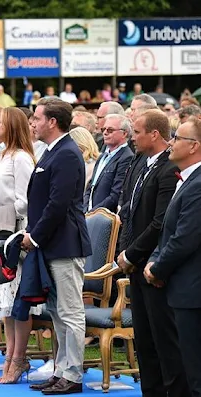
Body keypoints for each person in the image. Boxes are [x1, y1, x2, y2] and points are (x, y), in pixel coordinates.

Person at [116, 109, 189, 396]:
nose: (132, 137)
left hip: (154, 266)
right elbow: (128, 211)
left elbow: (161, 222)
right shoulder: (138, 162)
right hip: (135, 265)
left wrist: (132, 254)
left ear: (154, 134)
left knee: (164, 342)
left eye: (136, 132)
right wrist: (124, 252)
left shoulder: (169, 168)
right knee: (144, 341)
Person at [26, 98, 92, 394]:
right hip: (51, 243)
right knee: (56, 312)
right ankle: (62, 369)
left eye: (37, 118)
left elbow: (58, 204)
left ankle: (73, 375)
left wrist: (34, 236)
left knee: (70, 312)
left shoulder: (66, 153)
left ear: (52, 121)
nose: (34, 123)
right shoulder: (53, 151)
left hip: (64, 243)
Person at [0, 108, 41, 383]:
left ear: (12, 126)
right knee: (4, 301)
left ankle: (18, 359)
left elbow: (27, 200)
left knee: (17, 301)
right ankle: (9, 356)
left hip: (16, 232)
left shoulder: (21, 158)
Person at [144, 118, 201, 397]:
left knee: (195, 374)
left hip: (192, 290)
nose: (170, 142)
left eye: (177, 138)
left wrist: (158, 269)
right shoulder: (186, 179)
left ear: (194, 147)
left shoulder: (199, 184)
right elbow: (168, 229)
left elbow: (185, 238)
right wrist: (154, 260)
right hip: (180, 288)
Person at [84, 114, 133, 212]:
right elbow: (91, 186)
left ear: (124, 133)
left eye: (110, 130)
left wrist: (93, 213)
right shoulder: (102, 156)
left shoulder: (127, 157)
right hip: (88, 214)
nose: (105, 133)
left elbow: (115, 195)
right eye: (103, 130)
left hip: (103, 217)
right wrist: (85, 210)